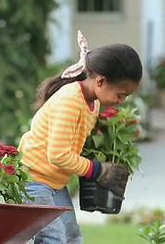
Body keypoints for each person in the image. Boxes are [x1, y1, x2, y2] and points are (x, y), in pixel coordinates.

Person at [18, 30, 143, 244]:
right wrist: (98, 170)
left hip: (54, 183)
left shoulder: (91, 103)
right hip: (34, 181)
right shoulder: (70, 102)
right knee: (53, 239)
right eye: (120, 94)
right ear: (101, 81)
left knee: (71, 236)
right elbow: (58, 154)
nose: (121, 101)